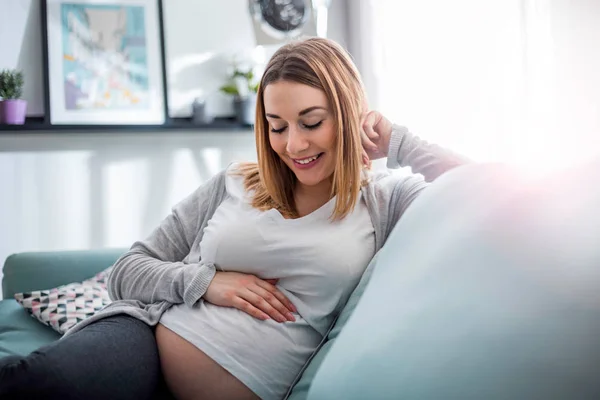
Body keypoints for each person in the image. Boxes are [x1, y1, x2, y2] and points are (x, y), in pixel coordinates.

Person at [0, 37, 467, 400]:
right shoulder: (236, 182)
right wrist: (207, 282)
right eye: (277, 126)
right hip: (142, 343)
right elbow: (128, 272)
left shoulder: (386, 199)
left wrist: (398, 142)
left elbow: (486, 191)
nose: (294, 145)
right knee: (39, 385)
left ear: (348, 112)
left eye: (312, 121)